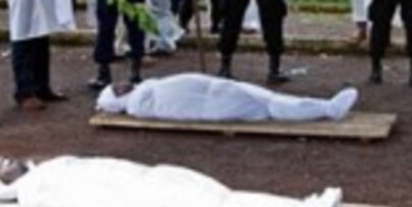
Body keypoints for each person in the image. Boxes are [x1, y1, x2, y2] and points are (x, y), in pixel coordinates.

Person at [0, 156, 343, 207]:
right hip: (138, 196)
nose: (0, 160)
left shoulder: (49, 166)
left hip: (146, 176)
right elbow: (82, 203)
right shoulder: (32, 194)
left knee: (224, 194)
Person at [96, 73, 359, 122]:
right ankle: (327, 109)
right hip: (211, 101)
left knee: (268, 101)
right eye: (117, 89)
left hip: (211, 92)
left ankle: (323, 107)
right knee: (269, 105)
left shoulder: (142, 94)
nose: (123, 84)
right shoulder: (140, 102)